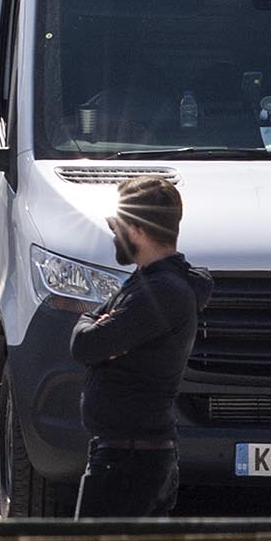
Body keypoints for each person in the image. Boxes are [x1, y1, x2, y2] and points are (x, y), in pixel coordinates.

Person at [65, 175, 210, 516]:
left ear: (137, 229)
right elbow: (93, 335)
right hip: (127, 457)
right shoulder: (148, 283)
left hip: (130, 464)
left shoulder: (160, 293)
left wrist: (96, 326)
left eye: (116, 225)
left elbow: (85, 344)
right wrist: (98, 326)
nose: (113, 233)